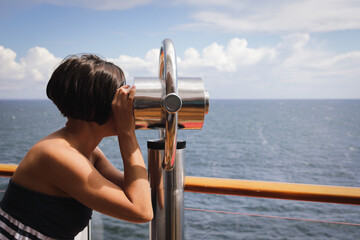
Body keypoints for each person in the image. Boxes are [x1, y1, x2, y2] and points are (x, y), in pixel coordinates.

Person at [0, 54, 153, 239]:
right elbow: (141, 211)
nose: (124, 106)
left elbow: (138, 190)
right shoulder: (57, 155)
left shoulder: (88, 153)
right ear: (94, 107)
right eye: (118, 98)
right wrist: (127, 133)